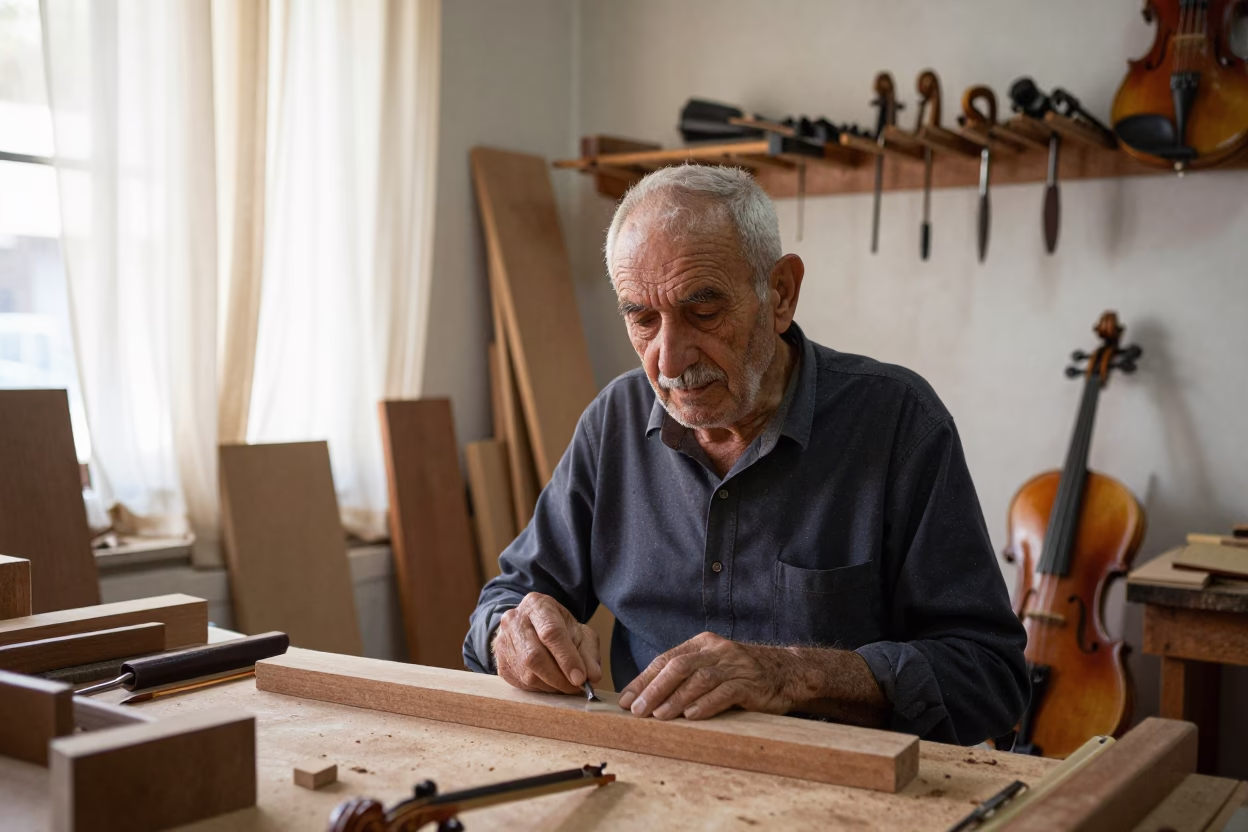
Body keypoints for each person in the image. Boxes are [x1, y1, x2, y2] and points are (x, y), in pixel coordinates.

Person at [463, 164, 1027, 745]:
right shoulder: (614, 422)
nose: (670, 359)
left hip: (841, 792)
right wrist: (513, 631)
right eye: (642, 318)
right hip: (651, 777)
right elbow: (503, 601)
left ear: (780, 294)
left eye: (704, 313)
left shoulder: (898, 423)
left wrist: (794, 674)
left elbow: (989, 676)